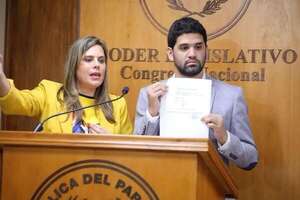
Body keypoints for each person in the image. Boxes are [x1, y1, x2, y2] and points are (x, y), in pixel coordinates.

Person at [134, 17, 258, 170]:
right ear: (171, 53)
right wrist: (152, 114)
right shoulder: (150, 95)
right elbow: (136, 153)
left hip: (211, 189)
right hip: (160, 187)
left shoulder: (232, 96)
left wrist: (224, 137)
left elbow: (250, 159)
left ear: (206, 49)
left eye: (198, 47)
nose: (192, 54)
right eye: (184, 47)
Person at [0, 36, 132, 134]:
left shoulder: (117, 105)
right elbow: (14, 102)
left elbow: (129, 156)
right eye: (88, 59)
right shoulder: (49, 93)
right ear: (74, 65)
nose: (97, 65)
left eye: (101, 61)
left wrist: (111, 143)